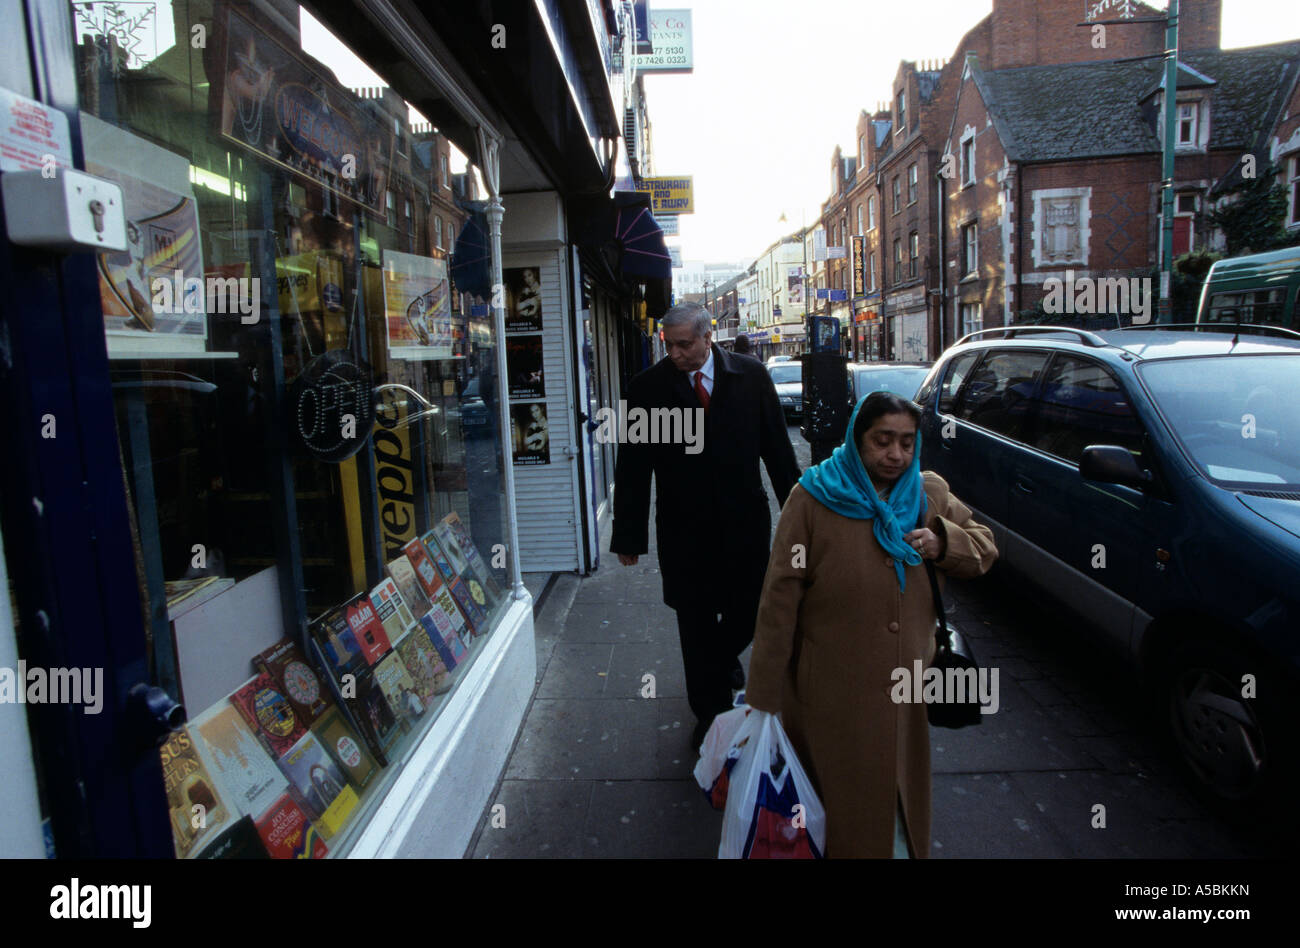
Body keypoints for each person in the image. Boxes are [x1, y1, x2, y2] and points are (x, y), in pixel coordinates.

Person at [745, 391, 997, 858]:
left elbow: (985, 548)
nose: (896, 455)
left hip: (906, 689)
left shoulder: (928, 494)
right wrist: (763, 699)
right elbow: (780, 598)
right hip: (828, 694)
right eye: (882, 441)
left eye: (906, 442)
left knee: (897, 806)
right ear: (857, 438)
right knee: (833, 814)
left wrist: (944, 541)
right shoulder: (813, 497)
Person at [611, 303, 800, 748]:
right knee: (694, 623)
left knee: (750, 610)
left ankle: (717, 662)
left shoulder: (751, 377)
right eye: (669, 345)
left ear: (707, 336)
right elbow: (634, 468)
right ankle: (710, 717)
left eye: (684, 344)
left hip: (744, 525)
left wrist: (800, 518)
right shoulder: (648, 389)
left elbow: (778, 451)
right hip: (684, 531)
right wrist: (628, 534)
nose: (675, 353)